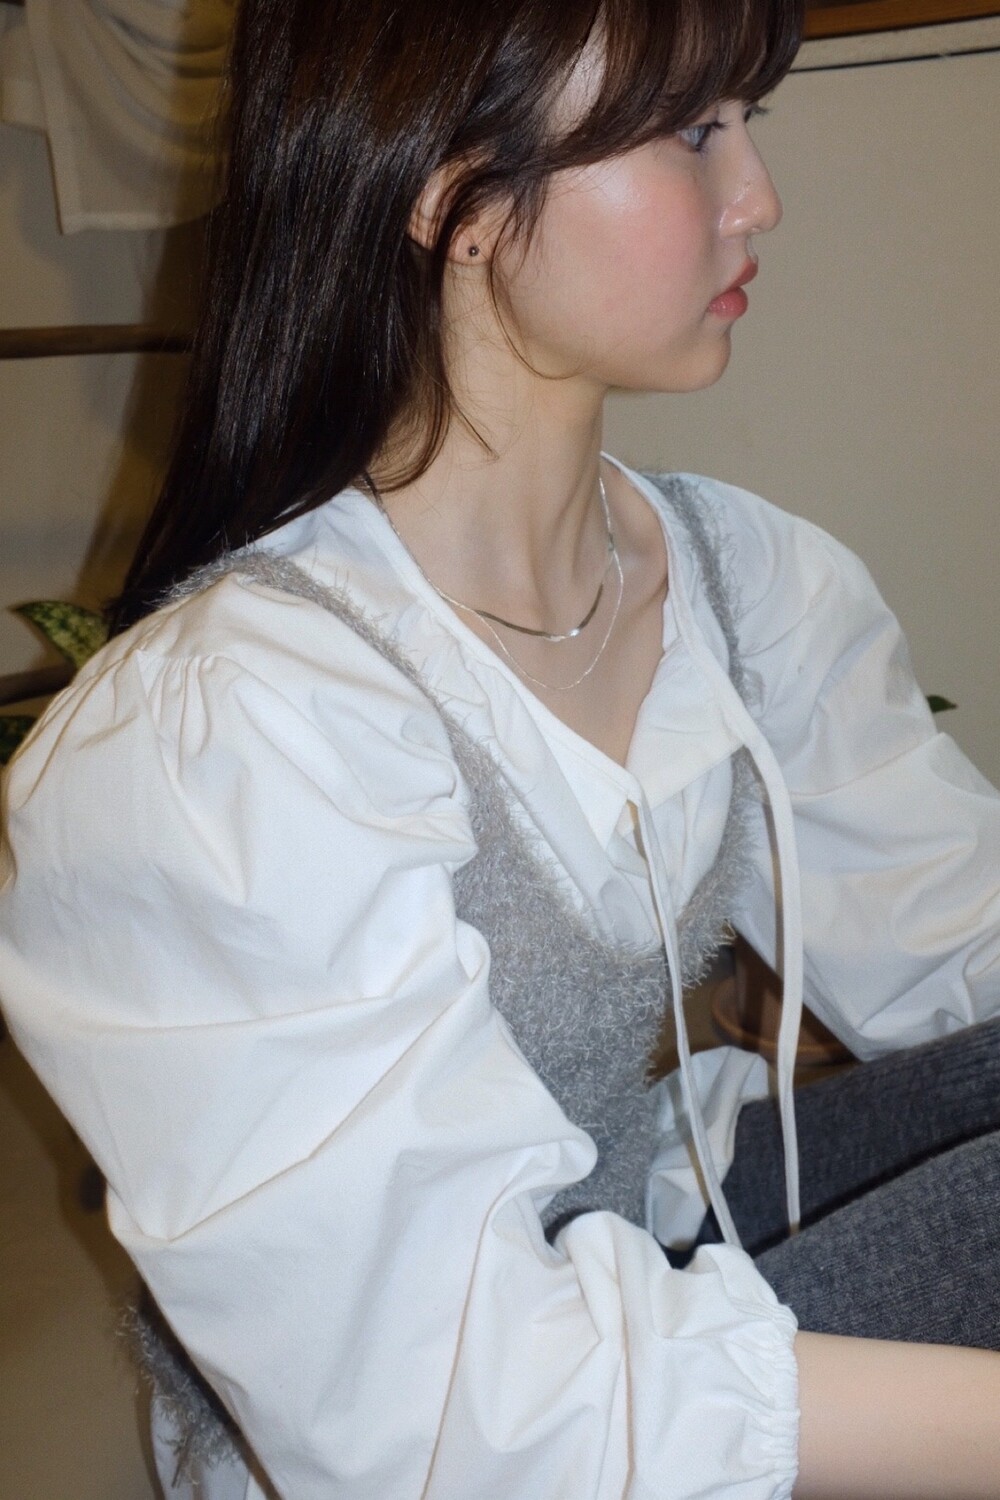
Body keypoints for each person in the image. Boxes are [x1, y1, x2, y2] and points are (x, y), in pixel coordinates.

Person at [1, 0, 998, 1496]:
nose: (758, 199)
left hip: (642, 1236)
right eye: (692, 132)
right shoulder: (230, 736)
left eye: (751, 121)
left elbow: (959, 946)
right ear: (451, 194)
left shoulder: (743, 584)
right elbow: (441, 1411)